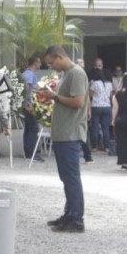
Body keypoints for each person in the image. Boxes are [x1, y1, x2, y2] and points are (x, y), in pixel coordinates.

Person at [37, 45, 88, 231]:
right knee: (66, 177)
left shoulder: (76, 73)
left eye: (51, 63)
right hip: (62, 133)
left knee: (71, 177)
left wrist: (55, 97)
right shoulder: (67, 74)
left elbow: (79, 101)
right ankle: (69, 214)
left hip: (70, 133)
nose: (51, 67)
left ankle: (76, 219)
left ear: (60, 57)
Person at [21, 56, 43, 161]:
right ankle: (32, 153)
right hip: (29, 105)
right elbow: (26, 89)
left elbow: (31, 88)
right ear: (35, 62)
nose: (40, 65)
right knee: (33, 129)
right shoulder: (29, 74)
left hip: (29, 105)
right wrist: (26, 104)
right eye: (39, 62)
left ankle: (28, 152)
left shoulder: (27, 74)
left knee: (29, 129)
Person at [88, 68, 113, 156]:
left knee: (95, 127)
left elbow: (89, 95)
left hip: (96, 106)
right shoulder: (109, 84)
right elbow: (111, 96)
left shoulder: (95, 84)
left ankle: (94, 146)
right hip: (107, 107)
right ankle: (107, 147)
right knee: (105, 127)